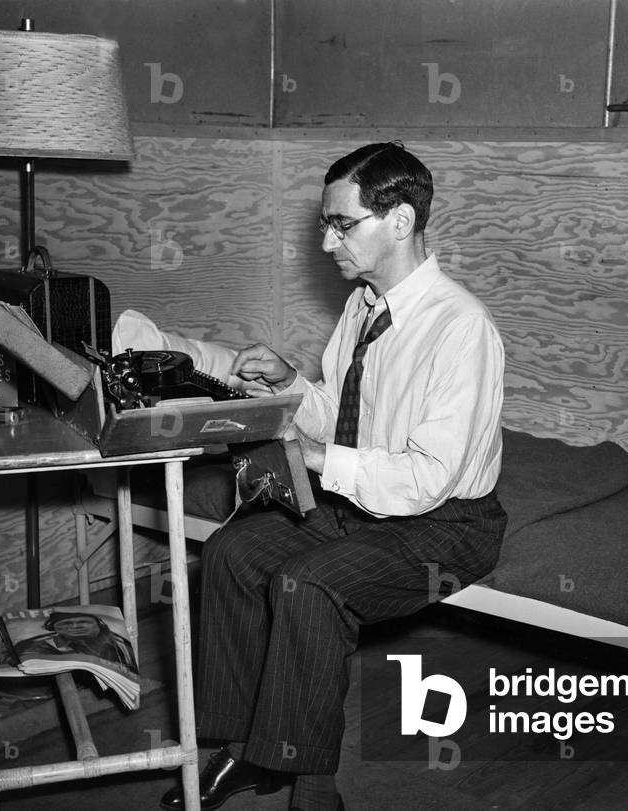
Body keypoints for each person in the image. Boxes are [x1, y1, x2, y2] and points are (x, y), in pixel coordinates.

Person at [160, 142, 507, 811]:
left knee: (308, 583)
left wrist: (316, 458)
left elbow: (428, 478)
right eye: (326, 223)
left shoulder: (461, 328)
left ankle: (315, 791)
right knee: (231, 552)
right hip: (366, 503)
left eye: (340, 224)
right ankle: (241, 751)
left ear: (399, 221)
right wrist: (293, 384)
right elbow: (338, 417)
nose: (325, 242)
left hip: (446, 524)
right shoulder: (365, 306)